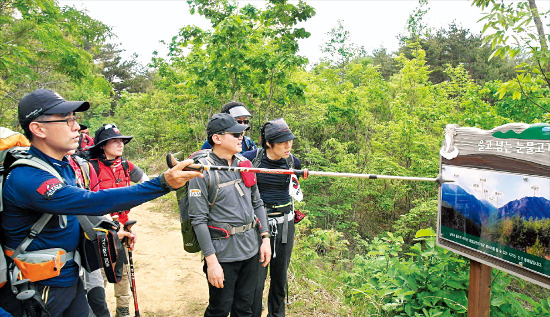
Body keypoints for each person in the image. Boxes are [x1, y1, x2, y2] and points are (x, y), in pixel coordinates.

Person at [1, 88, 202, 317]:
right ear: (38, 128)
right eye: (67, 120)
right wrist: (162, 183)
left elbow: (74, 217)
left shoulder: (62, 167)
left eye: (74, 119)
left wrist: (111, 234)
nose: (76, 127)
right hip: (38, 289)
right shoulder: (27, 177)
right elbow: (90, 202)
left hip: (69, 281)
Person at [188, 113, 271, 316]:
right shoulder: (202, 171)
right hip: (223, 253)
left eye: (241, 133)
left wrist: (265, 238)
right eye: (235, 134)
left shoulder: (244, 164)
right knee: (220, 308)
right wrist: (211, 261)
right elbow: (198, 220)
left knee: (245, 308)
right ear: (217, 138)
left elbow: (257, 203)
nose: (241, 136)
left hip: (251, 249)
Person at [87, 124, 148, 317]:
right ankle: (97, 312)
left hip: (124, 225)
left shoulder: (126, 165)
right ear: (103, 145)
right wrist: (112, 226)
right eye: (114, 141)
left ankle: (123, 312)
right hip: (100, 228)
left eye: (121, 140)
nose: (120, 144)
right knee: (101, 272)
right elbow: (88, 202)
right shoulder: (91, 167)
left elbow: (147, 184)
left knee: (122, 271)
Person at [243, 118, 301, 317]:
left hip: (285, 224)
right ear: (268, 143)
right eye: (283, 142)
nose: (288, 145)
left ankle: (277, 314)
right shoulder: (250, 159)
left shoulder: (293, 162)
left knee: (279, 277)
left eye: (290, 140)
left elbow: (294, 190)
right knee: (256, 279)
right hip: (258, 227)